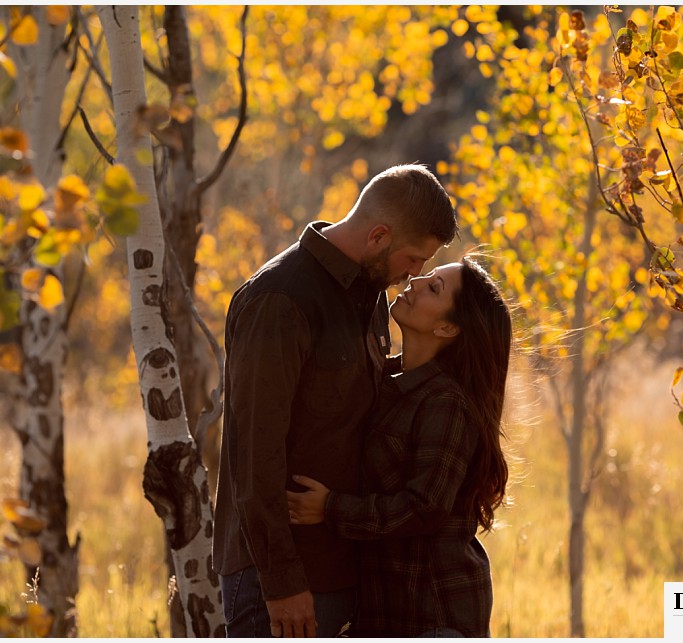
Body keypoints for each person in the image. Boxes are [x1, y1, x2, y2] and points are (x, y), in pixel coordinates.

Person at [213, 164, 458, 638]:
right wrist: (282, 583)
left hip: (337, 568)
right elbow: (253, 457)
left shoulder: (367, 295)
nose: (415, 274)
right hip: (280, 582)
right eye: (413, 259)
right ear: (379, 235)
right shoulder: (281, 300)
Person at [287, 257, 512, 638]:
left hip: (435, 617)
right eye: (428, 275)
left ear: (447, 327)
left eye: (434, 288)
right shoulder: (384, 377)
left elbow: (424, 508)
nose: (417, 281)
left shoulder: (446, 403)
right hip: (385, 615)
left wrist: (331, 508)